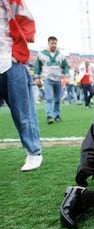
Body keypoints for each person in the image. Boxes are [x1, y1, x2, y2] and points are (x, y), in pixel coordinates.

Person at [0, 0, 42, 172]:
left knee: (23, 112)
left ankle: (34, 152)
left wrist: (17, 53)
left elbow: (27, 20)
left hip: (9, 60)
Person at [34, 36, 70, 124]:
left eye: (55, 43)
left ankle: (57, 115)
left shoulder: (60, 55)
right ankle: (49, 116)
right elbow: (37, 66)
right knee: (49, 98)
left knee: (57, 99)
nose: (54, 45)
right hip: (47, 79)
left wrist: (66, 76)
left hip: (58, 79)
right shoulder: (41, 54)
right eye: (52, 43)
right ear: (48, 43)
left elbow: (65, 66)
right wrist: (37, 77)